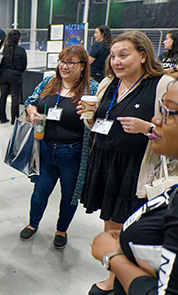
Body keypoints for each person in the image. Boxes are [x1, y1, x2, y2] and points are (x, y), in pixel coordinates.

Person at [80, 31, 175, 295]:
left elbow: (172, 133)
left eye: (124, 55)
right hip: (106, 162)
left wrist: (146, 128)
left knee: (133, 227)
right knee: (111, 222)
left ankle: (123, 278)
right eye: (113, 56)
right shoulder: (108, 84)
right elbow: (98, 121)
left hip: (138, 167)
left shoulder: (162, 85)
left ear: (143, 56)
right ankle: (116, 276)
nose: (116, 62)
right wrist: (88, 118)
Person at [20, 45, 98, 249]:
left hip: (73, 152)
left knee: (70, 195)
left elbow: (99, 118)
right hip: (45, 149)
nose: (65, 66)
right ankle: (32, 223)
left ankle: (61, 229)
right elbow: (30, 101)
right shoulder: (50, 82)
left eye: (72, 62)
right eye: (62, 61)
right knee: (40, 192)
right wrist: (32, 112)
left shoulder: (92, 89)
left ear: (83, 66)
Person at [0, 30, 28, 124]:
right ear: (18, 38)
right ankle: (14, 120)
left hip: (3, 75)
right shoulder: (21, 50)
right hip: (15, 76)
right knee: (15, 98)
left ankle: (2, 118)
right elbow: (24, 65)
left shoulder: (3, 49)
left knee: (3, 96)